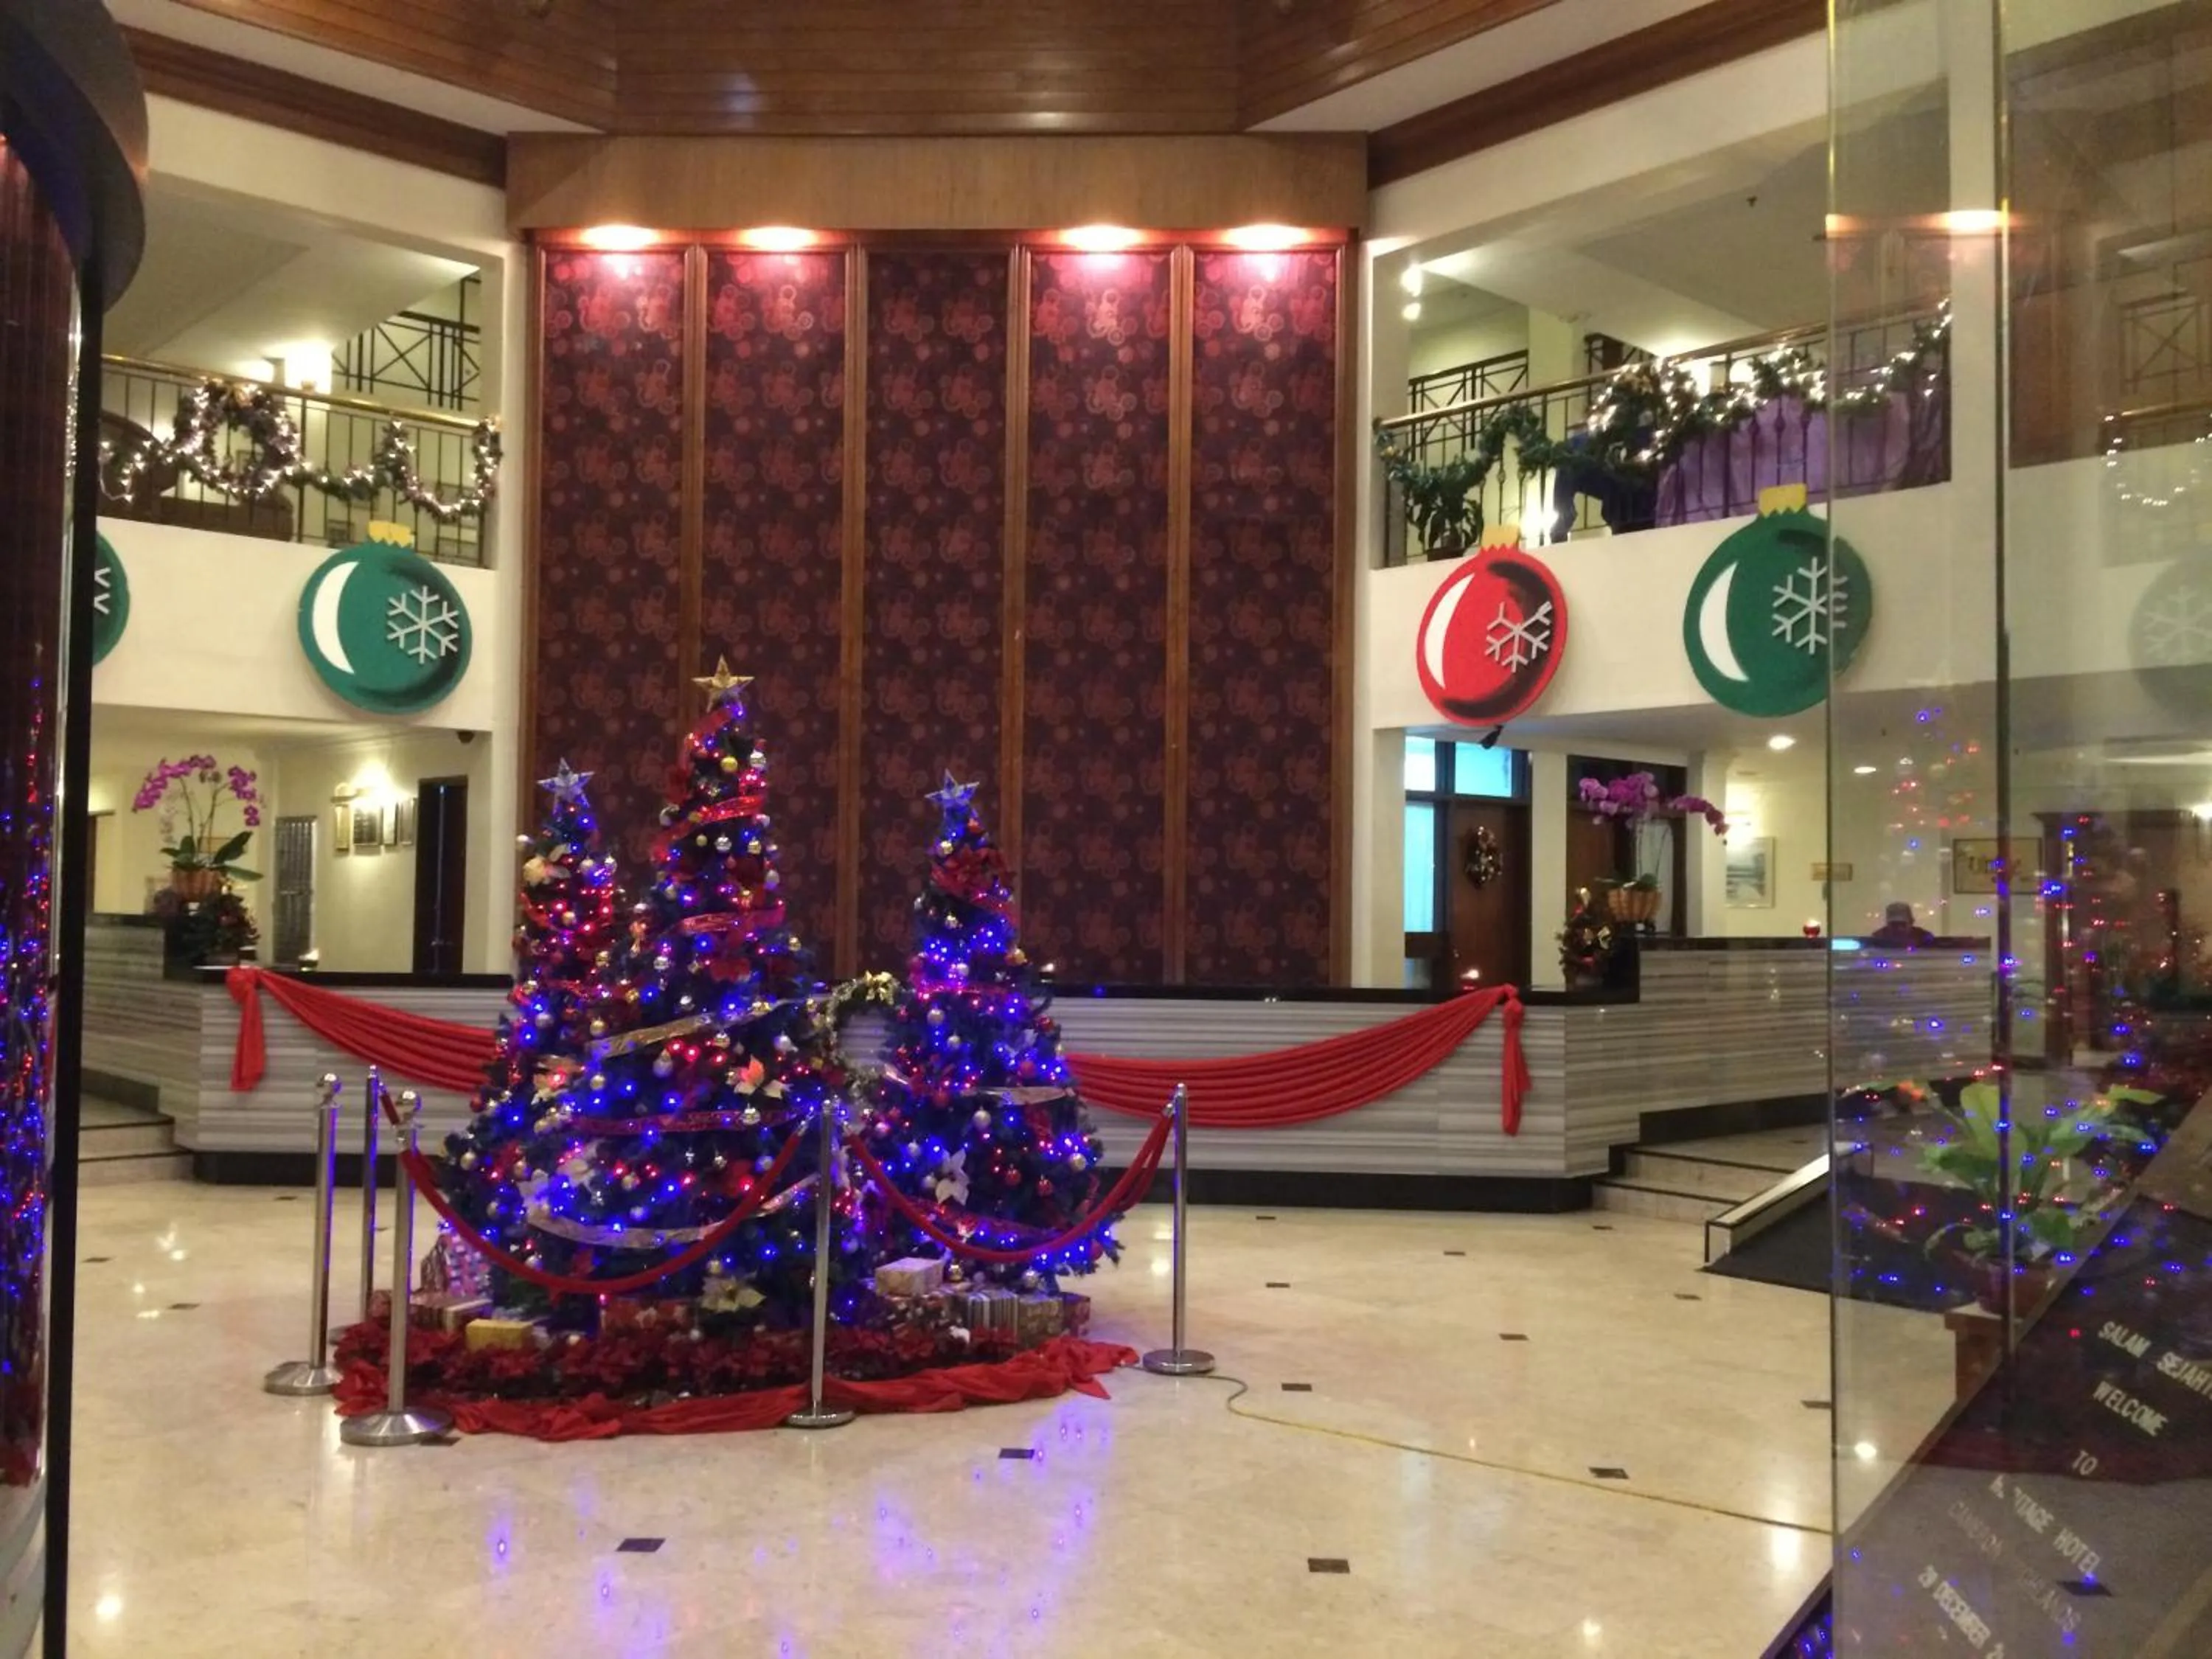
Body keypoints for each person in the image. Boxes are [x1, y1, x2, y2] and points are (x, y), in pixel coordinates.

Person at [1868, 901, 1935, 949]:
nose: (1899, 929)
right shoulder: (1878, 938)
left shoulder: (1923, 936)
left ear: (1911, 922)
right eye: (1894, 925)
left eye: (1903, 924)